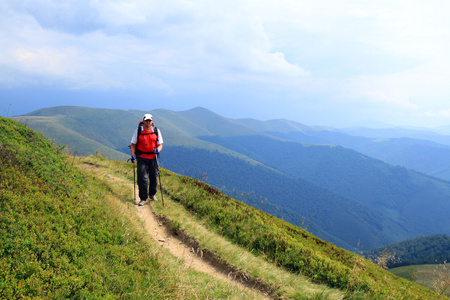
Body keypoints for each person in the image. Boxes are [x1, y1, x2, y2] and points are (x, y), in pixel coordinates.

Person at [130, 113, 163, 206]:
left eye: (149, 121)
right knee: (143, 178)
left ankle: (152, 194)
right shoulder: (138, 131)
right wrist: (133, 156)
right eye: (146, 121)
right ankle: (143, 198)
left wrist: (157, 150)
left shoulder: (156, 131)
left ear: (152, 121)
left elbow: (160, 145)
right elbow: (133, 144)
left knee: (153, 177)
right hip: (142, 158)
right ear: (143, 121)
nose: (148, 122)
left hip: (153, 157)